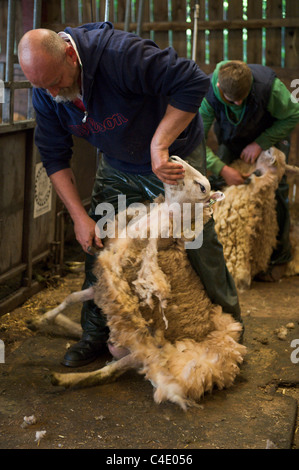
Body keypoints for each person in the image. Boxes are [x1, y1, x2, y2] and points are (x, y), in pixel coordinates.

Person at [18, 23, 241, 368]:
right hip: (120, 161)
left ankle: (230, 331)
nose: (51, 93)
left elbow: (192, 80)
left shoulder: (119, 55)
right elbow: (53, 154)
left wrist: (159, 144)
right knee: (100, 242)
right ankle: (94, 334)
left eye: (56, 82)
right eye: (41, 86)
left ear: (71, 55)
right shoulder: (46, 90)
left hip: (171, 156)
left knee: (197, 243)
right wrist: (80, 217)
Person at [200, 60, 299, 281]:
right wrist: (222, 168)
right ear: (219, 88)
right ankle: (221, 252)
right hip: (232, 137)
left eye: (243, 98)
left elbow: (293, 114)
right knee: (217, 184)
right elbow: (197, 141)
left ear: (251, 83)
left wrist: (261, 143)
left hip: (269, 134)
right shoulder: (207, 95)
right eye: (231, 99)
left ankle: (280, 257)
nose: (238, 102)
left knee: (276, 189)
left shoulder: (268, 87)